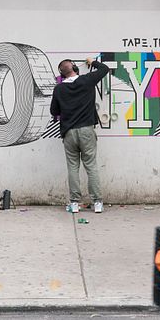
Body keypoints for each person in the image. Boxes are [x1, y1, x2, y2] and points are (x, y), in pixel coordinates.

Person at [50, 57, 110, 214]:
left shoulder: (59, 89)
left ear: (62, 74)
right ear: (75, 68)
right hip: (86, 131)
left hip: (69, 132)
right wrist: (92, 62)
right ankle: (97, 203)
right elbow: (104, 69)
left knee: (73, 167)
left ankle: (75, 204)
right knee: (91, 166)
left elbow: (54, 112)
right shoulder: (87, 80)